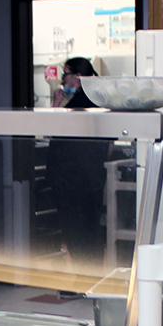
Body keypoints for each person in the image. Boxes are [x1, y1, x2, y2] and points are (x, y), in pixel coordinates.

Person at [45, 57, 110, 270]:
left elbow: (52, 133)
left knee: (75, 228)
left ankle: (83, 276)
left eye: (66, 75)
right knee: (90, 226)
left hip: (71, 176)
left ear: (78, 77)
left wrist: (55, 105)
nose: (63, 81)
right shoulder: (103, 99)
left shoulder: (77, 103)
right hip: (91, 176)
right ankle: (92, 275)